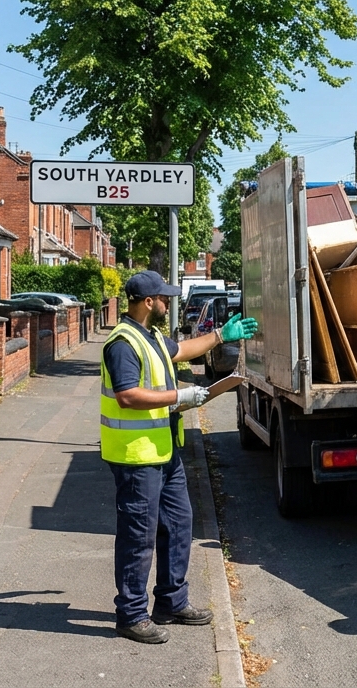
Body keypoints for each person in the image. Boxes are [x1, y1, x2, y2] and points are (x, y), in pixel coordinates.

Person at [101, 270, 259, 644]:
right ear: (147, 302)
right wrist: (181, 397)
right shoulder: (123, 343)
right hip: (136, 456)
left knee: (178, 524)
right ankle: (131, 615)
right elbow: (128, 396)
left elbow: (182, 350)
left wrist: (221, 336)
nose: (169, 302)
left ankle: (171, 602)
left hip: (164, 451)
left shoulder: (151, 335)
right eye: (164, 297)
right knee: (138, 537)